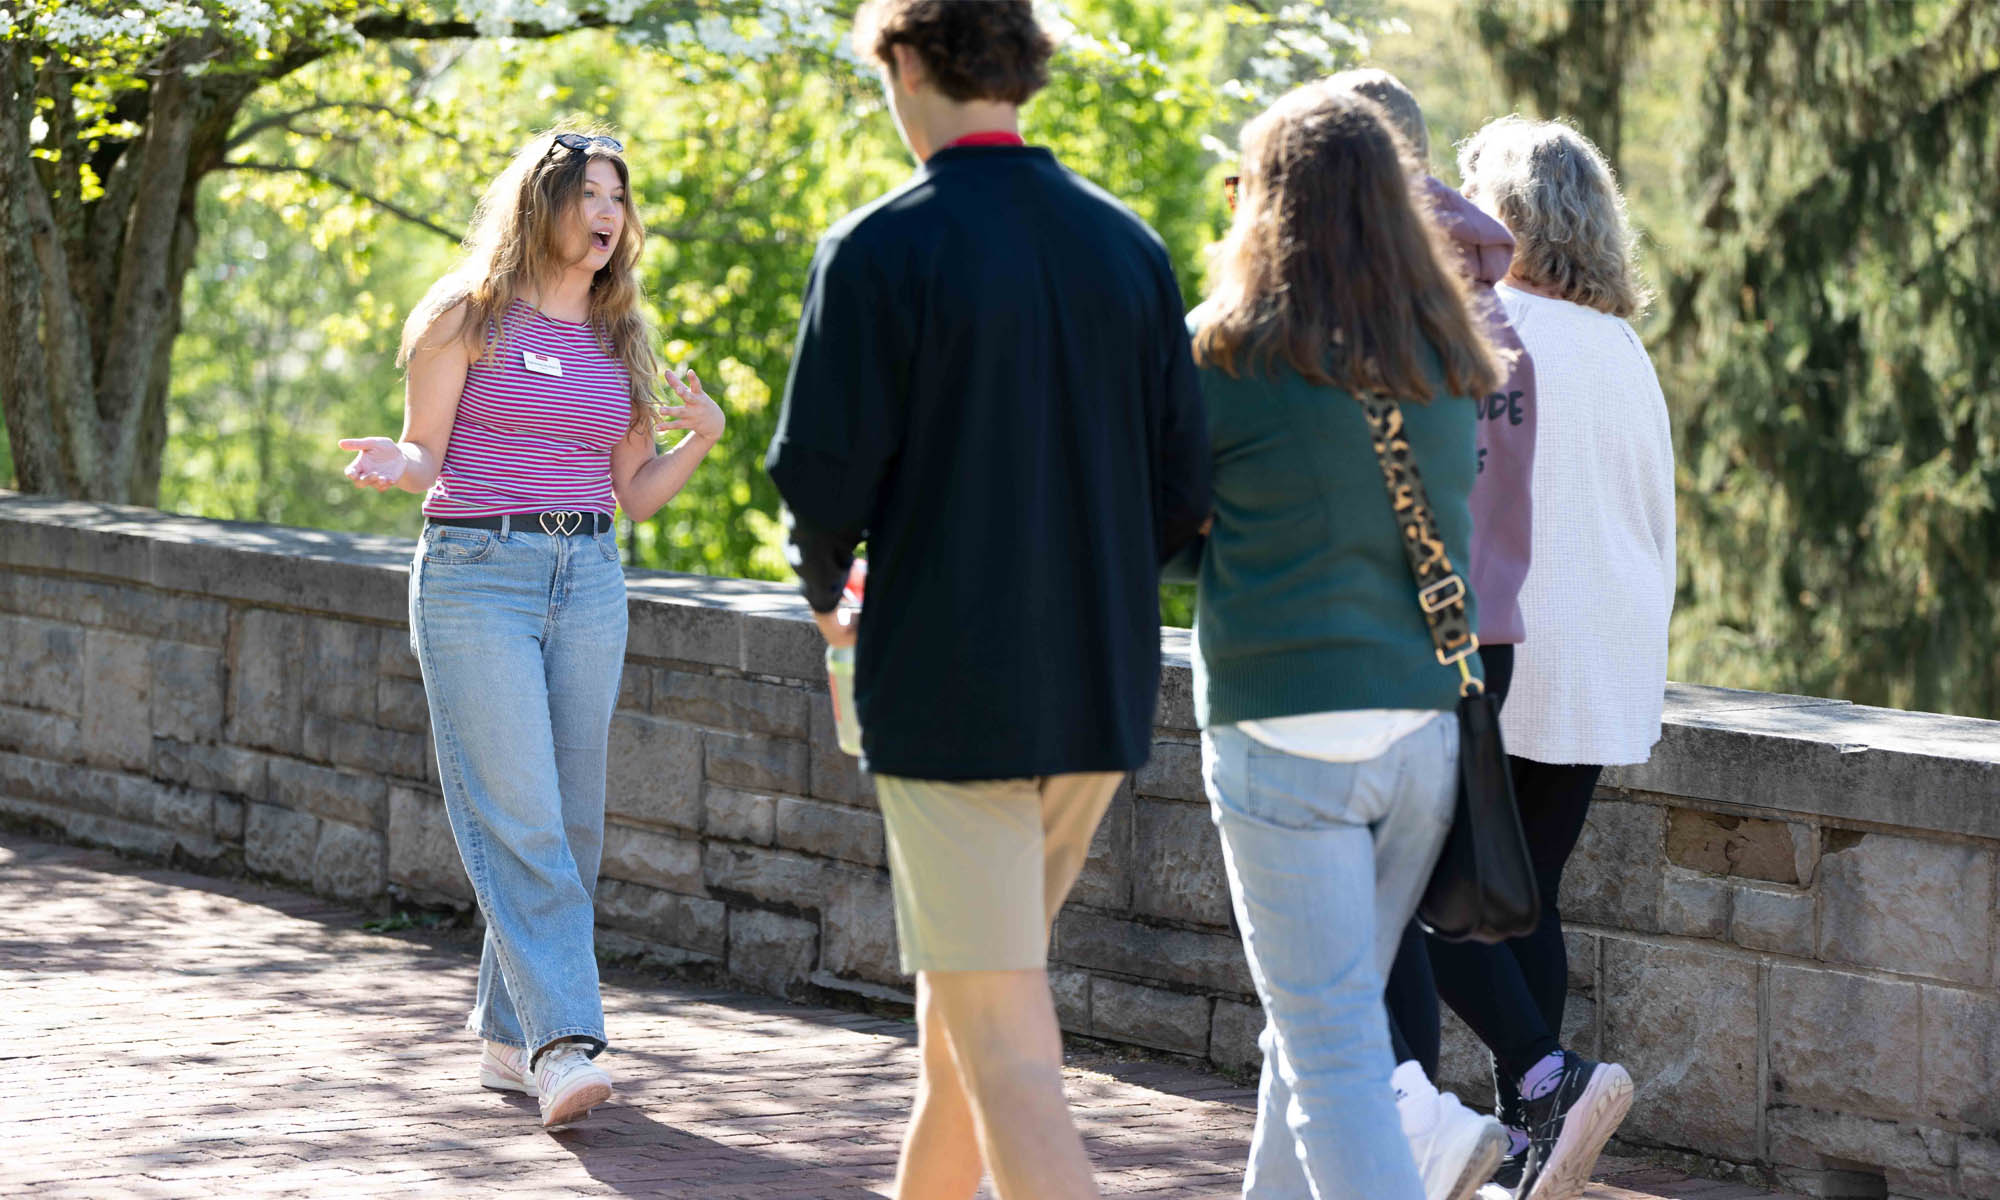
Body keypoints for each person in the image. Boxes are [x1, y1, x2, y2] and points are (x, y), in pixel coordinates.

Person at [765, 3, 1209, 1196]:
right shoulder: (1130, 250)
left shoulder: (877, 247)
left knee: (1004, 1051)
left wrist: (828, 608)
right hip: (1097, 696)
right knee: (958, 1039)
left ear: (904, 64)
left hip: (947, 702)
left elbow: (821, 485)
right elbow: (1184, 493)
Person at [336, 127, 725, 1131]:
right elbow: (429, 455)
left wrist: (701, 441)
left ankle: (508, 1041)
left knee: (574, 821)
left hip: (590, 573)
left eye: (618, 197)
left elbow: (634, 494)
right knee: (518, 813)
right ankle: (563, 1045)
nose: (608, 213)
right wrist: (395, 459)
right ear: (539, 205)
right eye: (588, 193)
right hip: (477, 574)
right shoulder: (467, 315)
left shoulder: (619, 335)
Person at [1177, 82, 1501, 1200]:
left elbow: (1153, 541)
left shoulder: (1223, 352)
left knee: (1327, 1052)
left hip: (1284, 733)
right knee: (1315, 1025)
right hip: (1421, 735)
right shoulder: (1443, 352)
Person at [1430, 115, 1674, 1200]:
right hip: (1600, 666)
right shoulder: (1620, 347)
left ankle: (1545, 1084)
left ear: (1510, 219)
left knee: (1432, 902)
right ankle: (1537, 1137)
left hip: (1507, 651)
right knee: (1528, 899)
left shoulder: (1489, 324)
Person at [1327, 69, 1537, 1200]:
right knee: (1402, 893)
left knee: (1371, 902)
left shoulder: (1381, 301)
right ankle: (1453, 1099)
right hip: (1480, 623)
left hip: (1394, 631)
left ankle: (1420, 1111)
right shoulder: (1492, 302)